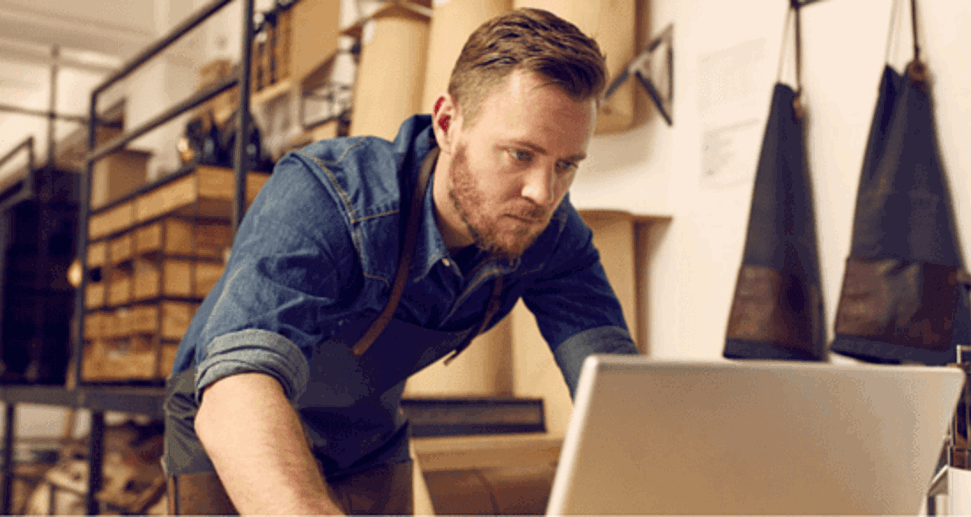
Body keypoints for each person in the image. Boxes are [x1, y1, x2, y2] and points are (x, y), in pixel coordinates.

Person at [163, 7, 639, 515]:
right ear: (448, 123)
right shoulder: (327, 196)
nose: (543, 193)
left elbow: (613, 389)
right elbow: (237, 389)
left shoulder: (549, 230)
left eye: (566, 165)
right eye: (520, 155)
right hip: (231, 424)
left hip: (364, 437)